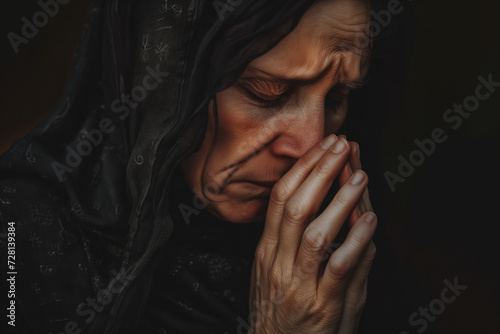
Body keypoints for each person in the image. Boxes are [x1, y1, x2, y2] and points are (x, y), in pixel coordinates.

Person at [0, 0, 400, 333]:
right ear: (164, 80)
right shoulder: (19, 238)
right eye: (267, 93)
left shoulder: (348, 260)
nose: (310, 145)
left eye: (336, 99)